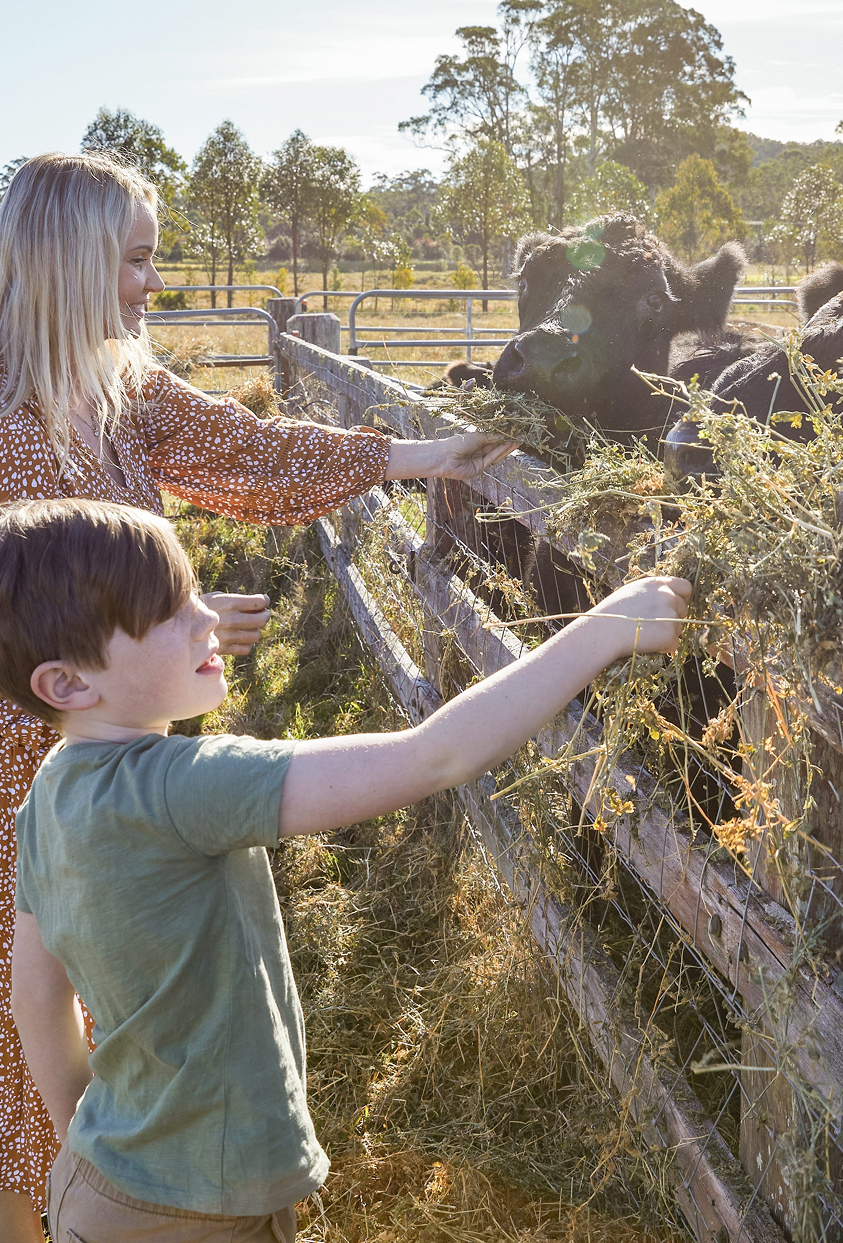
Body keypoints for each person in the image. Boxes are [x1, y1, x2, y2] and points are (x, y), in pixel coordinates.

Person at [0, 153, 515, 1242]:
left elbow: (252, 452)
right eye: (136, 261)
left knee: (133, 1004)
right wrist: (130, 661)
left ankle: (109, 1196)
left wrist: (421, 454)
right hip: (34, 775)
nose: (152, 286)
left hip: (114, 766)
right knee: (27, 1025)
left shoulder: (122, 387)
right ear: (70, 261)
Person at [4, 499, 690, 1243]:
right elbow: (433, 755)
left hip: (97, 1187)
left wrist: (86, 1131)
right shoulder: (181, 785)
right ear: (67, 683)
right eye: (169, 612)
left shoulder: (49, 792)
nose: (207, 619)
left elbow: (34, 995)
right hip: (205, 1206)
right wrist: (606, 628)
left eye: (195, 591)